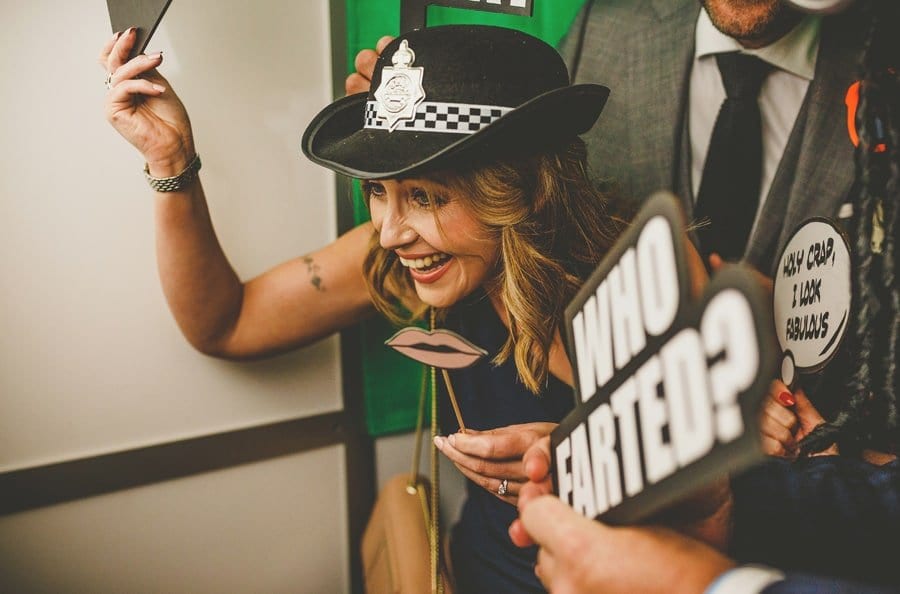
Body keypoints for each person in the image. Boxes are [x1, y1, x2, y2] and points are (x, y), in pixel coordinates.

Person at [102, 23, 704, 592]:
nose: (390, 233)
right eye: (377, 191)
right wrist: (171, 162)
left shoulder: (634, 288)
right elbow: (227, 324)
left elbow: (717, 519)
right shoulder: (418, 258)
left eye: (426, 196)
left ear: (519, 189)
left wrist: (582, 461)